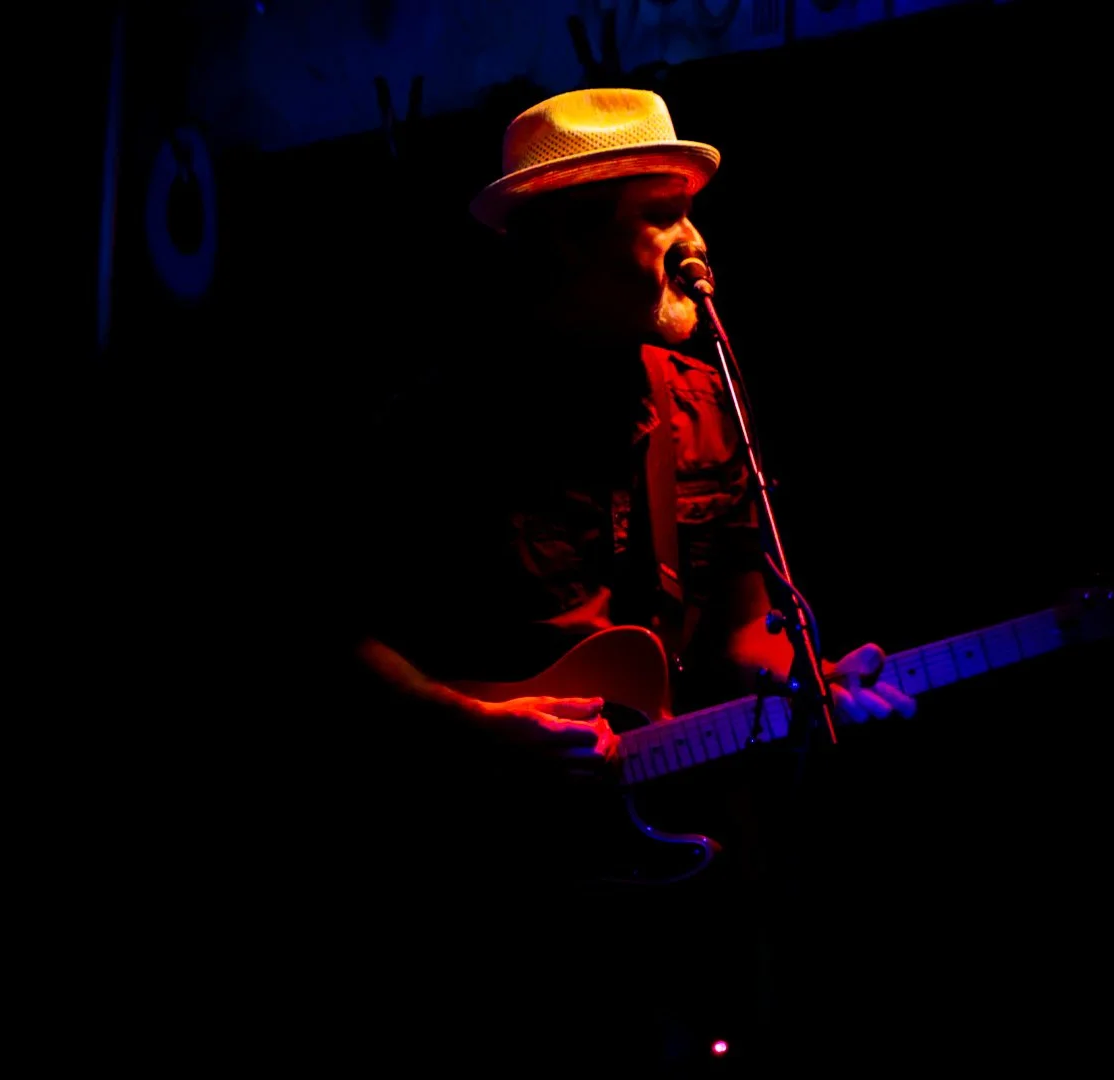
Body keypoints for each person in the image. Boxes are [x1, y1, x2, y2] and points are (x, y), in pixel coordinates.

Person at [333, 87, 917, 1068]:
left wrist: (810, 681)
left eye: (692, 213)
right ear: (566, 239)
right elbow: (331, 636)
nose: (696, 242)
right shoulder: (439, 426)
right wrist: (470, 725)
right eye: (662, 216)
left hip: (657, 867)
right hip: (478, 881)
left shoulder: (701, 399)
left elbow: (740, 634)